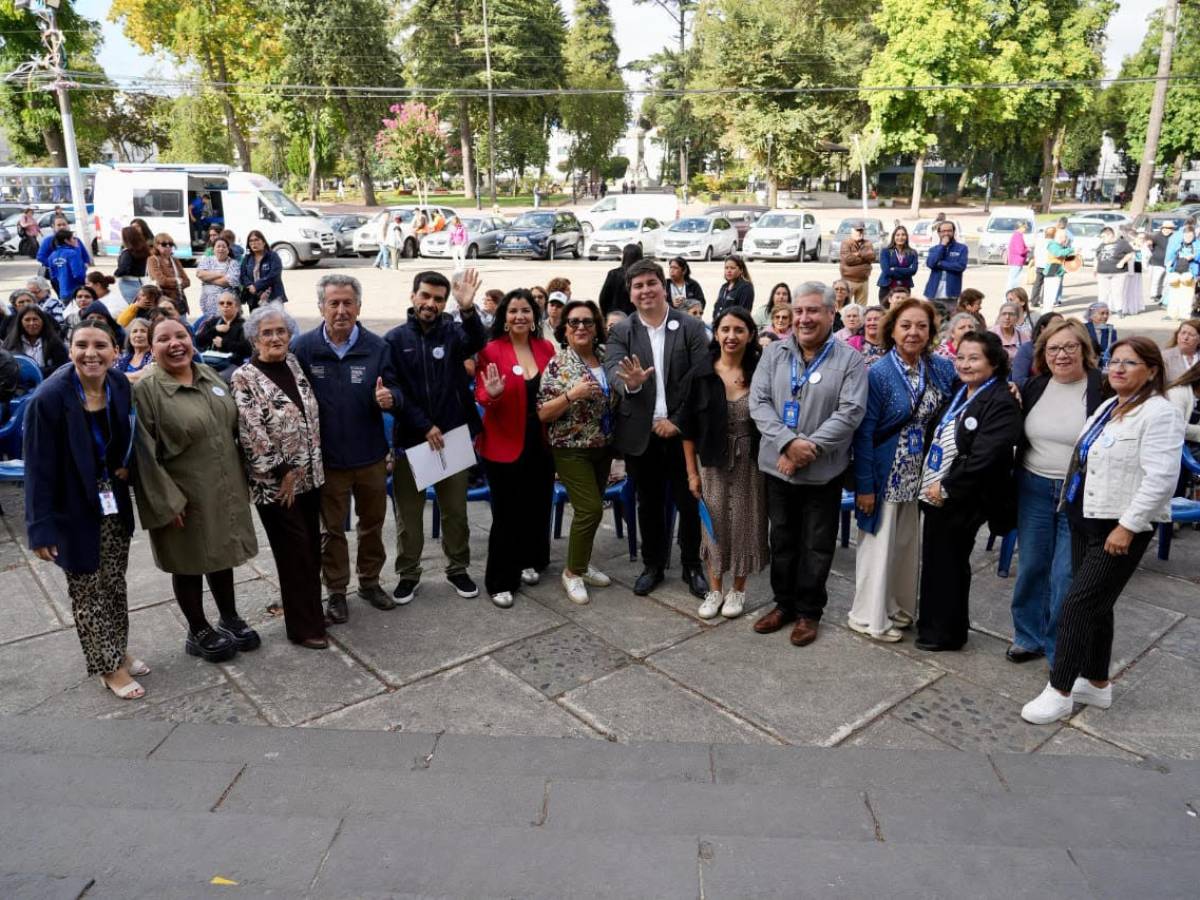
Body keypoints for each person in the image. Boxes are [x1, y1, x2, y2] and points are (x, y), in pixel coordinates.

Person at [1021, 338, 1184, 724]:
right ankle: (1095, 683)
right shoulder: (1113, 406)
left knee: (1076, 604)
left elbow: (1162, 478)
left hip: (1118, 526)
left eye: (1130, 363)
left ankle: (1058, 690)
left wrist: (1128, 526)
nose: (1119, 369)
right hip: (1085, 517)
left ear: (1152, 371)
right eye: (1115, 361)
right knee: (1098, 604)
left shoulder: (1160, 412)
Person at [24, 321, 146, 699]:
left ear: (115, 351)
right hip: (71, 508)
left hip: (112, 502)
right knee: (87, 589)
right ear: (70, 349)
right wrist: (39, 528)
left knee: (114, 582)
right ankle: (108, 668)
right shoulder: (50, 398)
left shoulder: (119, 384)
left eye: (100, 345)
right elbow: (38, 468)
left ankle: (117, 649)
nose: (90, 353)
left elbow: (123, 434)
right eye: (81, 345)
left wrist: (124, 466)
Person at [131, 316, 260, 663]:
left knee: (221, 552)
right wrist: (166, 502)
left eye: (181, 335)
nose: (175, 344)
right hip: (182, 493)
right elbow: (143, 453)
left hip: (221, 484)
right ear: (151, 347)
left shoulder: (209, 376)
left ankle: (229, 617)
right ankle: (197, 629)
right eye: (163, 339)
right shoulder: (146, 391)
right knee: (187, 561)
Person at [749, 282, 867, 645]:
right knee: (781, 539)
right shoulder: (774, 354)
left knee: (816, 544)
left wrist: (808, 448)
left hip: (822, 472)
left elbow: (851, 412)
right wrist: (787, 443)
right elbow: (759, 403)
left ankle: (808, 613)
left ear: (832, 314)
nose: (803, 318)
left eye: (813, 310)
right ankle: (783, 604)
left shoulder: (850, 359)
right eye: (799, 311)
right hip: (777, 467)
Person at [293, 274, 400, 622]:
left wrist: (391, 398)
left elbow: (398, 391)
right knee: (332, 531)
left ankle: (370, 582)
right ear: (321, 307)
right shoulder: (303, 348)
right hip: (329, 461)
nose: (341, 310)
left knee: (372, 525)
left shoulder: (378, 347)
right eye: (333, 303)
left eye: (347, 303)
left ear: (359, 306)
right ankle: (336, 592)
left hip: (370, 457)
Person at [850, 298, 956, 641]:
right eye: (906, 325)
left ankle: (897, 608)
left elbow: (970, 387)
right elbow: (864, 434)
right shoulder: (878, 373)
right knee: (879, 547)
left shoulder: (940, 368)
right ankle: (868, 616)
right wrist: (865, 485)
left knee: (906, 547)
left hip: (920, 473)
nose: (913, 332)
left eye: (921, 326)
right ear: (892, 330)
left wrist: (1007, 385)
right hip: (885, 470)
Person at [604, 258, 710, 599]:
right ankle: (653, 565)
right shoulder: (622, 331)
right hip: (641, 435)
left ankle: (692, 564)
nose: (646, 290)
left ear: (663, 287)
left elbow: (701, 379)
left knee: (689, 501)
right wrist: (631, 385)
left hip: (682, 435)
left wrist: (676, 421)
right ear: (630, 294)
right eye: (638, 286)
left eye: (651, 283)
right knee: (647, 504)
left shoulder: (690, 327)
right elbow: (611, 373)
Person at [915, 331, 1021, 651]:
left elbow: (986, 457)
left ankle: (945, 634)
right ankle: (935, 625)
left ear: (994, 362)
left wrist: (946, 488)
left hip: (961, 496)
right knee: (937, 562)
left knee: (948, 564)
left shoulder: (1001, 400)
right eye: (960, 357)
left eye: (974, 358)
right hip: (936, 489)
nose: (965, 364)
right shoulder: (962, 390)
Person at [230, 305, 328, 649]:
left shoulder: (293, 364)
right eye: (266, 333)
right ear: (254, 338)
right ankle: (302, 628)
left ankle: (312, 613)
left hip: (310, 477)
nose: (274, 338)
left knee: (312, 550)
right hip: (276, 485)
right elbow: (250, 431)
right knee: (294, 554)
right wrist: (282, 471)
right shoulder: (243, 377)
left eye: (280, 331)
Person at [385, 269, 486, 603]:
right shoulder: (395, 340)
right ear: (413, 296)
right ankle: (409, 574)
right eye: (425, 296)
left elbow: (477, 341)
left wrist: (468, 308)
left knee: (455, 512)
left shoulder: (454, 333)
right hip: (412, 441)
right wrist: (423, 425)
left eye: (438, 299)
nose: (430, 304)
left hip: (452, 439)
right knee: (408, 517)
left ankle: (458, 568)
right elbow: (394, 390)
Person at [1009, 319, 1103, 665]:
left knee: (1065, 574)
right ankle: (1027, 635)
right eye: (1053, 349)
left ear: (1084, 351)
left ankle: (1059, 646)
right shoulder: (1035, 387)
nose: (1061, 355)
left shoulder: (1101, 388)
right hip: (1033, 487)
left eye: (1069, 347)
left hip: (1078, 493)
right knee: (1032, 565)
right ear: (1042, 355)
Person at [683, 306, 770, 619]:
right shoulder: (701, 372)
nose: (731, 336)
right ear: (716, 333)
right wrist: (692, 474)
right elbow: (688, 429)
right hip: (712, 462)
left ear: (750, 335)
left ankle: (738, 590)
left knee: (747, 523)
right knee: (714, 524)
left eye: (739, 330)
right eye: (725, 329)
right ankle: (715, 588)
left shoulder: (761, 371)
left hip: (751, 461)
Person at [475, 290, 557, 608]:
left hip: (540, 441)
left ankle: (529, 560)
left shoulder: (546, 348)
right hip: (503, 443)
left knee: (537, 507)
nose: (519, 316)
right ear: (504, 318)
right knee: (507, 514)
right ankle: (500, 580)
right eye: (513, 311)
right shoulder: (491, 350)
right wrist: (492, 393)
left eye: (526, 310)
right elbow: (482, 394)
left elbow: (555, 388)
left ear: (535, 317)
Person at [537, 299, 616, 605]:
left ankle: (581, 563)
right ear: (565, 330)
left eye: (587, 322)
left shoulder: (606, 356)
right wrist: (572, 394)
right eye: (574, 323)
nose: (581, 327)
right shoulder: (558, 364)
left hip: (603, 445)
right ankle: (571, 572)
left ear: (596, 327)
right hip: (571, 448)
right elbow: (543, 413)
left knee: (592, 510)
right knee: (590, 509)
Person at [4, 306, 68, 378]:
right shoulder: (10, 344)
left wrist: (37, 372)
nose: (31, 323)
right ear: (20, 322)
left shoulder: (54, 342)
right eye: (27, 320)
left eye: (35, 319)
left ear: (42, 321)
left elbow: (62, 367)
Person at [194, 292, 252, 370]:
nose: (225, 306)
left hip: (233, 363)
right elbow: (198, 341)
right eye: (222, 303)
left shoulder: (243, 325)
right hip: (210, 361)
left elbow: (247, 349)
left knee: (219, 378)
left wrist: (224, 343)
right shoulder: (213, 322)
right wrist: (214, 330)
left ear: (237, 307)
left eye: (229, 303)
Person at [39, 221, 91, 302]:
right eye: (73, 238)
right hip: (76, 291)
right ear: (67, 241)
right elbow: (78, 274)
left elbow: (53, 276)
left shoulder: (52, 255)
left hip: (63, 291)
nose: (75, 240)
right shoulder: (72, 253)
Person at [1011, 311, 1064, 388]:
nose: (1061, 329)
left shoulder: (1066, 349)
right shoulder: (1027, 349)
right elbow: (1019, 381)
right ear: (1042, 329)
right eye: (1056, 326)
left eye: (1063, 326)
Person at [146, 233, 191, 317]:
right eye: (164, 244)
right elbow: (161, 281)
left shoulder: (175, 260)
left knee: (183, 326)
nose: (168, 247)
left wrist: (171, 282)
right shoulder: (152, 260)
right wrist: (177, 281)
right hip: (162, 301)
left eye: (170, 244)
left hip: (178, 301)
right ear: (156, 245)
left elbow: (187, 281)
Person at [195, 236, 240, 319]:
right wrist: (220, 274)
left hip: (226, 304)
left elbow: (229, 281)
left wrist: (208, 279)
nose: (221, 249)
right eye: (218, 246)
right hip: (207, 302)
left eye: (224, 247)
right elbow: (200, 274)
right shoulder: (207, 260)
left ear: (228, 250)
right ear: (213, 249)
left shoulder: (233, 263)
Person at [923, 220, 969, 302]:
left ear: (954, 232)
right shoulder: (934, 249)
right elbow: (930, 263)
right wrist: (942, 246)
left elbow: (960, 266)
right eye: (943, 231)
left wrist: (940, 263)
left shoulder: (962, 248)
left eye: (949, 231)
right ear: (939, 233)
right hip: (933, 293)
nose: (946, 233)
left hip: (951, 293)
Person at [239, 230, 287, 307]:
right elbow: (242, 275)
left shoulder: (273, 256)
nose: (253, 243)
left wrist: (256, 286)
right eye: (251, 241)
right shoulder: (247, 258)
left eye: (256, 240)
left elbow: (274, 275)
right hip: (253, 298)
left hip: (272, 297)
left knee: (275, 319)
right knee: (256, 319)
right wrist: (250, 285)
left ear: (264, 242)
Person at [1164, 222, 1199, 321]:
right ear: (1183, 235)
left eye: (1190, 235)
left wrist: (1194, 256)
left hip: (1190, 272)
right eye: (1186, 235)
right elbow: (1171, 256)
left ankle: (1184, 315)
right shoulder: (1178, 244)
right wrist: (1169, 266)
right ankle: (1172, 314)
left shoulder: (1197, 244)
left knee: (1187, 295)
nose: (1188, 237)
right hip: (1177, 270)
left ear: (1194, 235)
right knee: (1174, 293)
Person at [1094, 227, 1134, 312]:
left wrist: (1122, 262)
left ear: (1110, 235)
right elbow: (1097, 257)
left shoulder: (1122, 243)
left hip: (1118, 273)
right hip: (1103, 273)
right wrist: (1095, 269)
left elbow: (1130, 253)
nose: (1102, 239)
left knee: (1117, 292)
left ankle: (1119, 309)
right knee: (1103, 293)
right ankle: (1101, 310)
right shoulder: (1102, 245)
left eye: (1103, 237)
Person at [877, 225, 919, 302]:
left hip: (905, 288)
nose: (900, 237)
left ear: (906, 237)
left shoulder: (913, 253)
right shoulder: (886, 251)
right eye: (898, 235)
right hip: (887, 287)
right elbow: (886, 271)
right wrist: (906, 271)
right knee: (886, 312)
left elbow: (913, 271)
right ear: (893, 237)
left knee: (902, 312)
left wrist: (895, 269)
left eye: (903, 235)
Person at [600, 243, 641, 317]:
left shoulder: (614, 274)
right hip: (637, 316)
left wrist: (606, 316)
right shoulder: (642, 275)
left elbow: (603, 298)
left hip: (615, 316)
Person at [114, 225, 151, 306]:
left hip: (128, 283)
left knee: (132, 307)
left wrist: (115, 274)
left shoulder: (127, 252)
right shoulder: (143, 250)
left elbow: (124, 268)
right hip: (142, 281)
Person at [838, 223, 875, 303]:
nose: (860, 232)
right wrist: (865, 258)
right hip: (849, 280)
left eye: (861, 230)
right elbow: (848, 260)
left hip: (864, 281)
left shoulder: (868, 243)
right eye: (857, 230)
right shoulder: (846, 243)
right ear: (852, 231)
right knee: (845, 307)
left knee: (861, 309)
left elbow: (872, 257)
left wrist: (858, 254)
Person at [712, 254, 754, 321]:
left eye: (732, 268)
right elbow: (716, 307)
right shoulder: (724, 287)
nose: (729, 271)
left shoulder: (746, 287)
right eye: (726, 268)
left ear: (741, 270)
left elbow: (744, 313)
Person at [115, 318, 154, 382]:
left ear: (151, 335)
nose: (138, 335)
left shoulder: (155, 356)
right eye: (134, 331)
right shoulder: (121, 358)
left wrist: (119, 377)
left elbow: (146, 375)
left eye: (143, 331)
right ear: (129, 337)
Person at [1146, 220, 1174, 307]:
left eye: (1170, 228)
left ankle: (1161, 295)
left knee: (1165, 281)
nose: (1167, 230)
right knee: (1156, 279)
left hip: (1168, 262)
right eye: (1166, 228)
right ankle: (1154, 295)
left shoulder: (1173, 237)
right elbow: (1148, 244)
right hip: (1157, 261)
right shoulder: (1156, 236)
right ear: (1162, 228)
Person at [1084, 302, 1118, 369]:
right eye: (1102, 313)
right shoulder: (1083, 329)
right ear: (1092, 315)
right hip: (1087, 364)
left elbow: (1114, 350)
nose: (1105, 316)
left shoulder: (1111, 331)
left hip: (1104, 367)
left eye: (1107, 313)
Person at [1006, 221, 1031, 291]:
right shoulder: (1018, 236)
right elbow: (1020, 251)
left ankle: (1011, 296)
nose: (1025, 229)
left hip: (1015, 260)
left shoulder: (1016, 235)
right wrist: (1027, 249)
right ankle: (1009, 297)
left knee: (1013, 279)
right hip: (1016, 260)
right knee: (1014, 280)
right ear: (1020, 227)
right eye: (1025, 228)